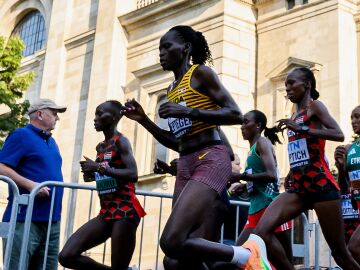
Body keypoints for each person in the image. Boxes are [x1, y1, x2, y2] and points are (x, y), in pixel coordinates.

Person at [122, 25, 243, 269]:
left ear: (185, 48)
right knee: (174, 259)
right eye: (160, 48)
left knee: (170, 240)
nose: (161, 53)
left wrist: (188, 110)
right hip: (186, 163)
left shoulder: (201, 74)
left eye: (167, 47)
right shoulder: (170, 90)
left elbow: (236, 114)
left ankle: (242, 255)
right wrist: (144, 119)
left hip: (210, 158)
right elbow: (177, 142)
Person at [237, 67, 360, 270]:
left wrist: (302, 128)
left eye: (292, 83)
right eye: (285, 84)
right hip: (298, 189)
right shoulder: (294, 115)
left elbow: (338, 133)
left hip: (321, 187)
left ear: (307, 84)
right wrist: (292, 173)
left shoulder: (315, 107)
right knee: (261, 231)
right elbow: (298, 152)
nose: (287, 88)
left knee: (340, 254)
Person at [58, 100, 145, 270]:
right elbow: (109, 172)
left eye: (100, 114)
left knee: (119, 266)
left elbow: (132, 174)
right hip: (106, 212)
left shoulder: (122, 141)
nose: (95, 119)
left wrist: (98, 167)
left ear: (113, 117)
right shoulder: (101, 147)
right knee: (66, 256)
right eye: (95, 114)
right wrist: (93, 175)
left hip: (125, 211)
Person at [0, 98, 66, 270]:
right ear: (39, 114)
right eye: (54, 113)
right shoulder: (21, 135)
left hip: (52, 220)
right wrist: (31, 185)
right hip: (23, 218)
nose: (57, 118)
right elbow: (1, 166)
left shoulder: (52, 142)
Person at [334, 105, 360, 263]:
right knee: (345, 253)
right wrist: (341, 169)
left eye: (357, 117)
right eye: (352, 117)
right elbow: (345, 189)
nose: (353, 121)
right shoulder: (350, 149)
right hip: (357, 206)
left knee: (353, 248)